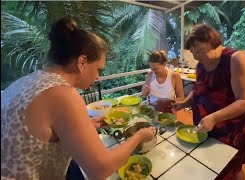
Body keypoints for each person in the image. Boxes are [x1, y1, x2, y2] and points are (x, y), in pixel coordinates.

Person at [1, 17, 156, 179]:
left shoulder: (29, 81)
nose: (97, 77)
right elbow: (100, 170)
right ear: (82, 62)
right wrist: (139, 137)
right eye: (98, 69)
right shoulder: (63, 94)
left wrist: (85, 126)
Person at [175, 24, 245, 180]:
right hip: (206, 123)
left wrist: (213, 118)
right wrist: (185, 102)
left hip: (230, 127)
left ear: (213, 42)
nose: (197, 57)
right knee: (212, 163)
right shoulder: (200, 65)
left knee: (232, 166)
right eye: (193, 52)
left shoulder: (236, 59)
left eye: (199, 51)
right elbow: (199, 88)